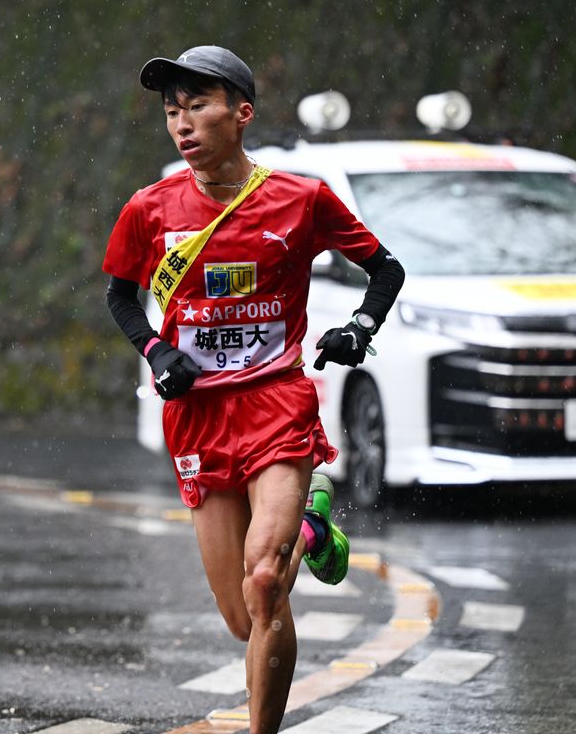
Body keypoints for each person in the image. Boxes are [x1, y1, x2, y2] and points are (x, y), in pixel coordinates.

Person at [102, 46, 404, 733]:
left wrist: (358, 327)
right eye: (172, 111)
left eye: (198, 105)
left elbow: (384, 269)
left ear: (241, 115)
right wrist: (156, 349)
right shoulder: (149, 209)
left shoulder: (301, 199)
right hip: (198, 418)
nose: (182, 123)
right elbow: (119, 295)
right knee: (243, 619)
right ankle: (312, 523)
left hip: (276, 404)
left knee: (266, 581)